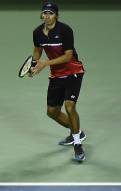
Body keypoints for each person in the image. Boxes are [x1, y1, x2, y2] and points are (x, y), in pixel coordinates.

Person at [31, 2, 86, 162]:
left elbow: (68, 56)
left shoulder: (65, 30)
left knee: (69, 106)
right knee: (52, 112)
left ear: (56, 15)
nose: (47, 16)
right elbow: (37, 50)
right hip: (56, 75)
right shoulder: (37, 32)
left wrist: (44, 64)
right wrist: (33, 65)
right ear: (42, 15)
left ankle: (77, 144)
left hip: (73, 71)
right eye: (45, 13)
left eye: (50, 13)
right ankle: (77, 132)